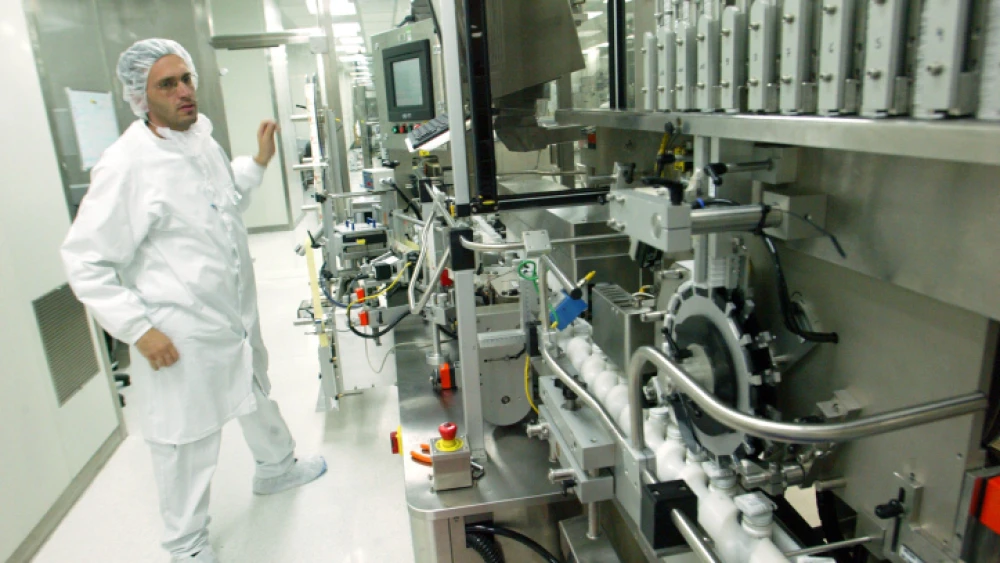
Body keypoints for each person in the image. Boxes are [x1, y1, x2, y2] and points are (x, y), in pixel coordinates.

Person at [60, 39, 326, 563]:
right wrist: (137, 328)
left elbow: (225, 202)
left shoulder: (200, 140)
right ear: (141, 97)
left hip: (230, 315)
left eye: (186, 79)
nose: (184, 91)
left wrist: (256, 164)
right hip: (177, 329)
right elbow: (85, 260)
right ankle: (185, 545)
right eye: (167, 84)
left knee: (254, 389)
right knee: (185, 439)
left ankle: (276, 469)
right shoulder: (127, 165)